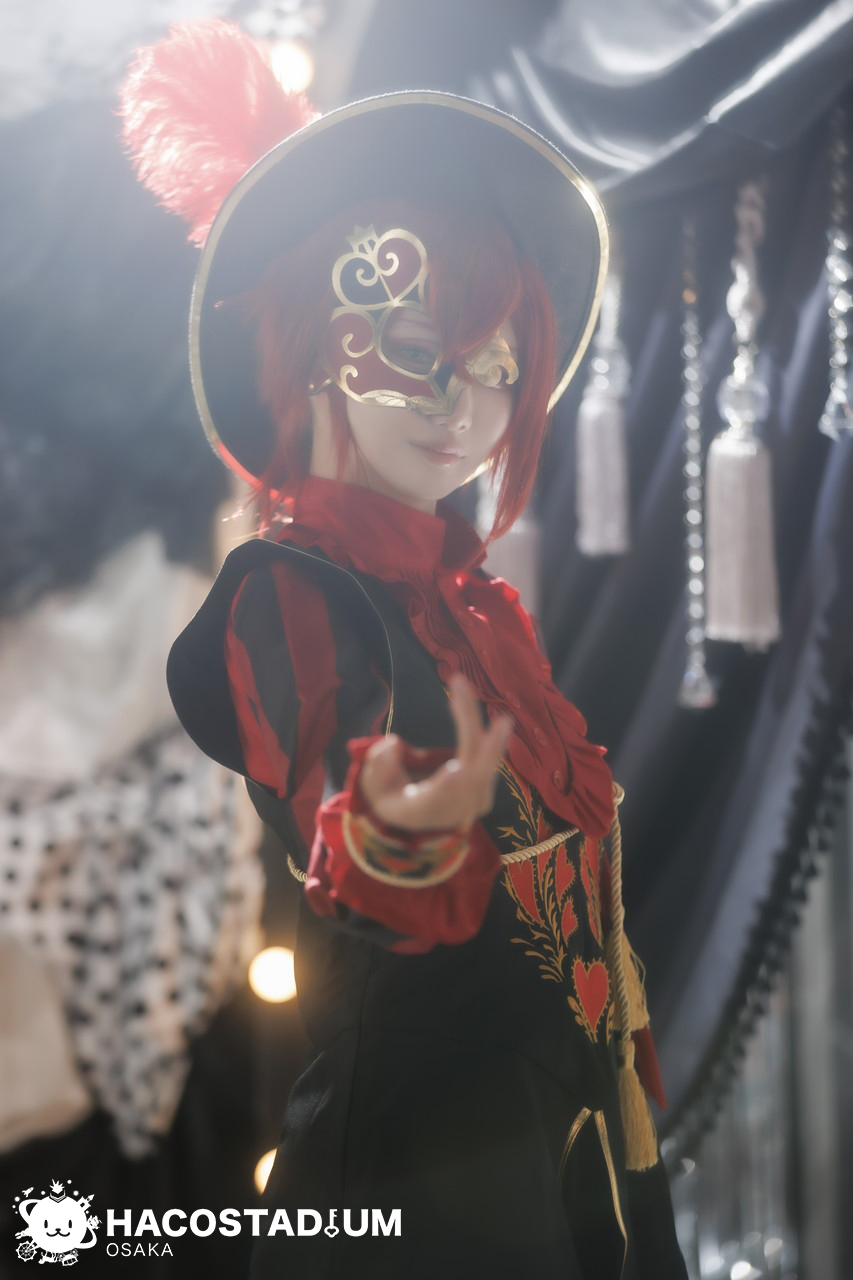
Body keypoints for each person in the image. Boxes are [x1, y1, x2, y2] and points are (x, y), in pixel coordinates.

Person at [121, 19, 688, 1279]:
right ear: (316, 346)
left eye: (498, 369)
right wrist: (390, 824)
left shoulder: (476, 610)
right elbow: (336, 793)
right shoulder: (290, 590)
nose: (464, 408)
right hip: (413, 1196)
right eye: (422, 355)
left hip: (578, 1159)